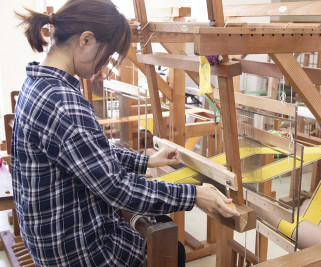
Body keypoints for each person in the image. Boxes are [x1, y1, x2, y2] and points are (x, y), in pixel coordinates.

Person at [12, 1, 239, 266]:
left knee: (160, 231)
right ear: (86, 39)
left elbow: (90, 151)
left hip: (50, 240)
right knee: (173, 251)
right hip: (76, 252)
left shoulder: (37, 84)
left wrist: (147, 161)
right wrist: (195, 195)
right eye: (107, 56)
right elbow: (116, 188)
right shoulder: (64, 102)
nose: (104, 67)